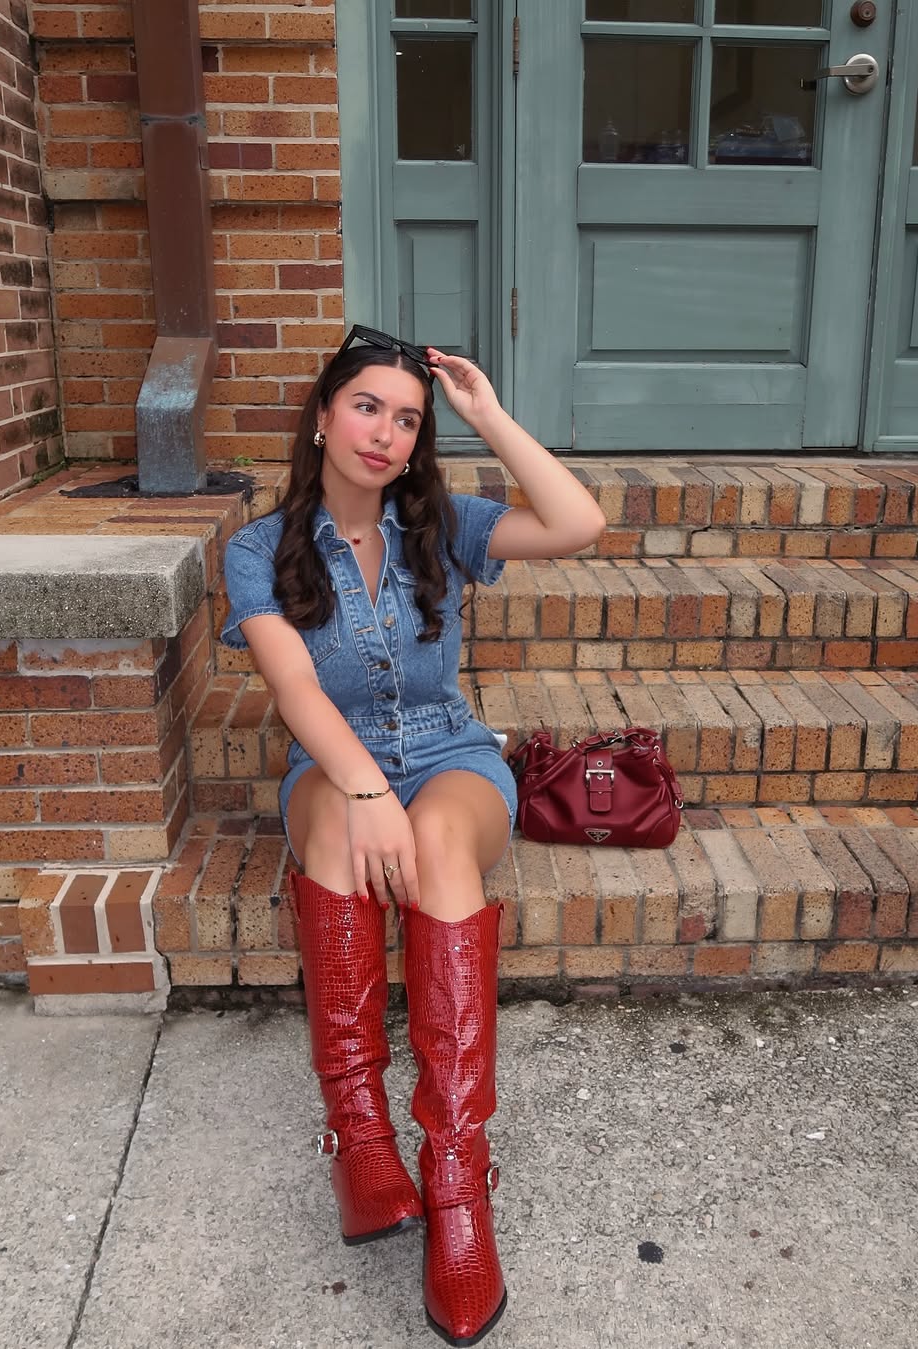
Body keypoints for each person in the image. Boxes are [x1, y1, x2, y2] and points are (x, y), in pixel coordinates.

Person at [221, 324, 605, 1346]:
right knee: (348, 835)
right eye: (366, 407)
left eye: (407, 418)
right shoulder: (258, 549)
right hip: (332, 764)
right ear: (321, 415)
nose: (385, 433)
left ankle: (454, 1172)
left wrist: (485, 413)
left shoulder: (442, 527)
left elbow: (577, 521)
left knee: (438, 843)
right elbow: (294, 686)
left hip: (451, 755)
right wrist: (360, 784)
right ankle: (358, 1135)